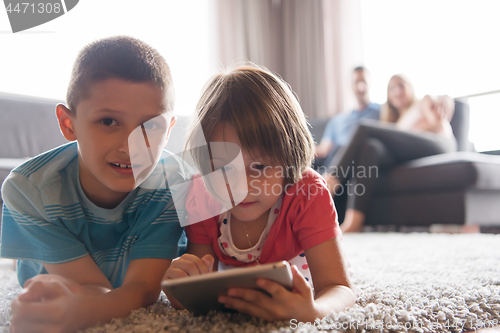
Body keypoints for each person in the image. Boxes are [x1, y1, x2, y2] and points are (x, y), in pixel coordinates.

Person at [0, 36, 189, 332]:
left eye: (150, 126)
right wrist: (80, 306)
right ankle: (24, 254)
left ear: (170, 130)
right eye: (109, 122)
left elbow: (142, 289)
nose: (130, 148)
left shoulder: (174, 185)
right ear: (68, 124)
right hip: (61, 265)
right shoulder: (28, 189)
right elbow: (90, 287)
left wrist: (84, 312)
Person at [163, 65, 355, 322]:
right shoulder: (201, 194)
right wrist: (183, 290)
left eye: (260, 167)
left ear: (288, 158)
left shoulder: (308, 192)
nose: (241, 185)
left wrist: (313, 311)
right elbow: (200, 280)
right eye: (223, 169)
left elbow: (339, 288)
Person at [325, 74, 456, 233]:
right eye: (391, 89)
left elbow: (438, 115)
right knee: (370, 147)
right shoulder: (396, 122)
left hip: (439, 143)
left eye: (401, 85)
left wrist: (445, 99)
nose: (397, 91)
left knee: (363, 128)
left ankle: (329, 183)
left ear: (411, 87)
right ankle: (353, 222)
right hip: (410, 152)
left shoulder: (424, 102)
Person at [314, 66, 380, 169]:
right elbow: (323, 150)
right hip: (335, 159)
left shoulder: (381, 111)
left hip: (362, 158)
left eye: (364, 82)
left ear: (370, 83)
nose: (360, 87)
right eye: (356, 82)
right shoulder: (337, 120)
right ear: (350, 85)